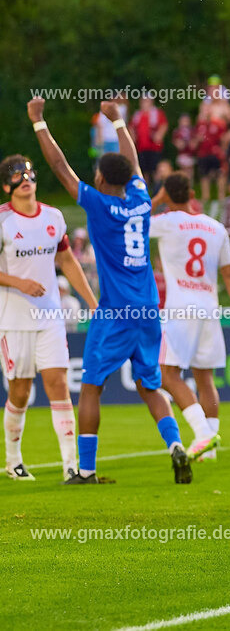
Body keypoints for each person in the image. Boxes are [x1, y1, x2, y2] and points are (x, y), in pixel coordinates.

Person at [28, 97, 193, 484]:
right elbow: (133, 162)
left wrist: (39, 123)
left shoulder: (98, 205)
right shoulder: (139, 199)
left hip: (116, 311)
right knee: (149, 384)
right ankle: (176, 445)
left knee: (91, 385)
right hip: (149, 308)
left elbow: (59, 168)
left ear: (101, 179)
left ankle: (85, 470)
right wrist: (118, 122)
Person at [0, 155, 98, 481]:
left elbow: (68, 261)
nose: (24, 178)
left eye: (28, 172)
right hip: (13, 321)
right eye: (17, 175)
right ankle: (13, 461)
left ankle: (71, 466)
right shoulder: (2, 221)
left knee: (58, 385)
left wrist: (92, 303)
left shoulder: (53, 217)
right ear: (6, 186)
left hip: (50, 318)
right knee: (20, 393)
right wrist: (19, 282)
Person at [150, 172, 230, 462]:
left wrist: (158, 199)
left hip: (181, 309)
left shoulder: (167, 222)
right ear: (192, 193)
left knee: (168, 375)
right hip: (209, 308)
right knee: (205, 378)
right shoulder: (215, 227)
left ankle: (203, 434)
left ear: (168, 196)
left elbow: (133, 224)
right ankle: (211, 452)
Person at [130, 95, 168, 180]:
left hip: (154, 147)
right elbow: (131, 127)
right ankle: (145, 189)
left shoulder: (157, 113)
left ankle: (157, 189)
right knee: (143, 171)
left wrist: (159, 135)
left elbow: (164, 125)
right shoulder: (137, 115)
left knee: (156, 169)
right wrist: (133, 137)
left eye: (147, 101)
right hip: (141, 147)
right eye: (143, 101)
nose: (145, 103)